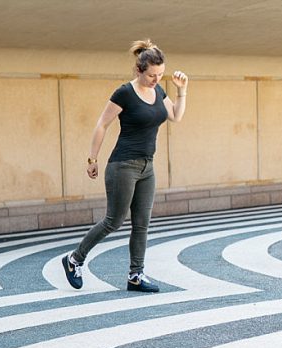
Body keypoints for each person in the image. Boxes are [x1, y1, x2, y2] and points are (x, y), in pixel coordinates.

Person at [62, 39, 188, 293]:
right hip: (123, 166)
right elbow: (102, 124)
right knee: (114, 220)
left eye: (160, 75)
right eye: (152, 75)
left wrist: (182, 90)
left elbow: (175, 116)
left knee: (142, 223)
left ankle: (136, 275)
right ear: (139, 70)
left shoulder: (159, 92)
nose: (156, 79)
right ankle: (74, 259)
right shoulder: (124, 93)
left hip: (147, 167)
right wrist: (92, 159)